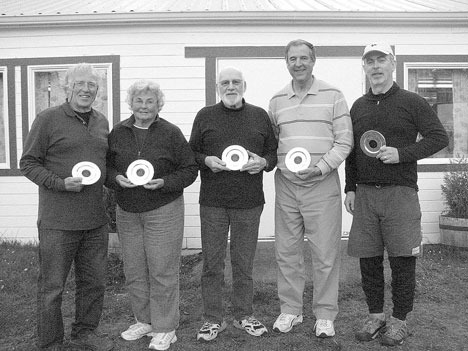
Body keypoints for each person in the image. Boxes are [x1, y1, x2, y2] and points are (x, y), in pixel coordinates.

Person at [344, 43, 449, 346]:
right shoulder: (358, 106)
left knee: (403, 261)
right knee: (369, 260)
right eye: (369, 62)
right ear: (364, 67)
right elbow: (351, 152)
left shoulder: (411, 102)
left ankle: (400, 321)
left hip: (400, 193)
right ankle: (376, 317)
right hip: (364, 194)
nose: (375, 66)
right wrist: (350, 187)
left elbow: (438, 138)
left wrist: (402, 154)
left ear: (392, 63)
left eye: (380, 60)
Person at [20, 63, 114, 350]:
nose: (86, 89)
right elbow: (28, 163)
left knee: (93, 283)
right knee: (52, 288)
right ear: (67, 87)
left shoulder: (101, 121)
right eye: (80, 84)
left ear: (98, 90)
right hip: (58, 221)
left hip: (95, 220)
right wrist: (60, 183)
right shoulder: (48, 119)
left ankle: (85, 332)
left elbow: (103, 166)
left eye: (92, 85)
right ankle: (50, 342)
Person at [268, 39, 353, 338]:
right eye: (293, 58)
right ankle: (290, 310)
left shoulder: (333, 95)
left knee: (326, 253)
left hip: (322, 184)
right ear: (286, 62)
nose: (298, 63)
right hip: (287, 185)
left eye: (304, 58)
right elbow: (272, 142)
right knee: (287, 252)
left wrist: (322, 167)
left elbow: (345, 141)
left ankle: (325, 314)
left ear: (314, 60)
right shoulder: (277, 100)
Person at [106, 80, 198, 350]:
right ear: (130, 103)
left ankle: (166, 327)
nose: (144, 106)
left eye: (150, 101)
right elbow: (106, 168)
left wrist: (165, 183)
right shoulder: (118, 132)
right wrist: (116, 179)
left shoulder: (170, 133)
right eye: (139, 101)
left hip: (163, 209)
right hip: (127, 211)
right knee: (134, 269)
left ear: (159, 104)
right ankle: (144, 320)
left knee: (162, 270)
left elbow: (190, 169)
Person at [189, 67, 278, 341]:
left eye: (235, 82)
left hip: (249, 203)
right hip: (213, 202)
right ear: (218, 88)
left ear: (244, 85)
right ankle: (213, 320)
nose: (231, 87)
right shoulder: (205, 116)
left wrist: (263, 162)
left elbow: (272, 153)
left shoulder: (259, 115)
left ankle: (243, 315)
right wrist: (206, 160)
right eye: (225, 82)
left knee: (243, 264)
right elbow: (191, 152)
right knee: (212, 264)